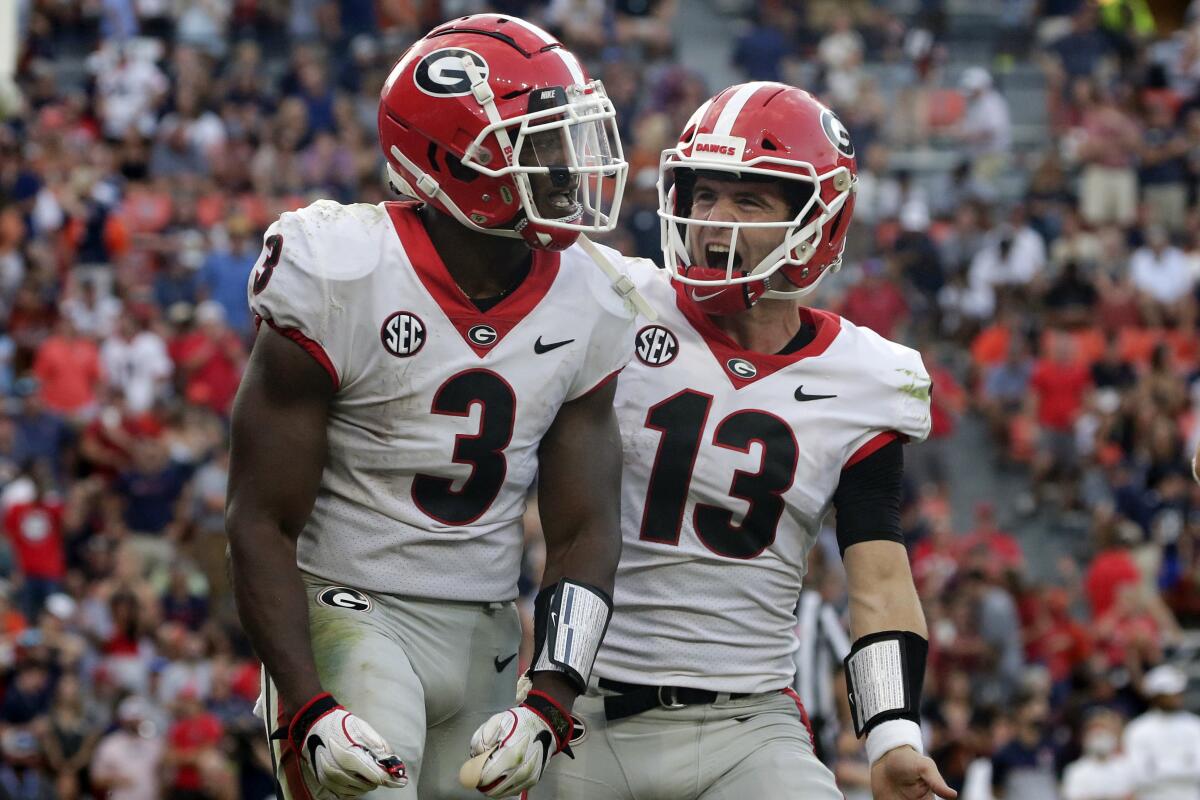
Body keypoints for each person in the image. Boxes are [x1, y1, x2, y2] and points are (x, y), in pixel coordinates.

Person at [226, 15, 643, 800]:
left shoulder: (593, 294)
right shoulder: (340, 269)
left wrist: (551, 695)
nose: (566, 165)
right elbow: (258, 518)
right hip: (348, 609)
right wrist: (306, 703)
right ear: (452, 160)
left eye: (566, 138)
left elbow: (587, 527)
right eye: (539, 143)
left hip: (485, 630)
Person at [534, 82, 954, 800]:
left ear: (816, 222)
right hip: (586, 710)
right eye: (703, 197)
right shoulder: (616, 304)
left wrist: (891, 737)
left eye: (748, 201)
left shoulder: (866, 377)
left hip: (748, 726)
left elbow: (880, 586)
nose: (712, 222)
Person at [1122, 664, 1200, 800]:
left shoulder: (1194, 725)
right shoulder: (1138, 729)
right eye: (1169, 694)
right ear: (1155, 696)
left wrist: (1159, 770)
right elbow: (1138, 775)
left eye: (1178, 693)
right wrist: (1182, 768)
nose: (1176, 698)